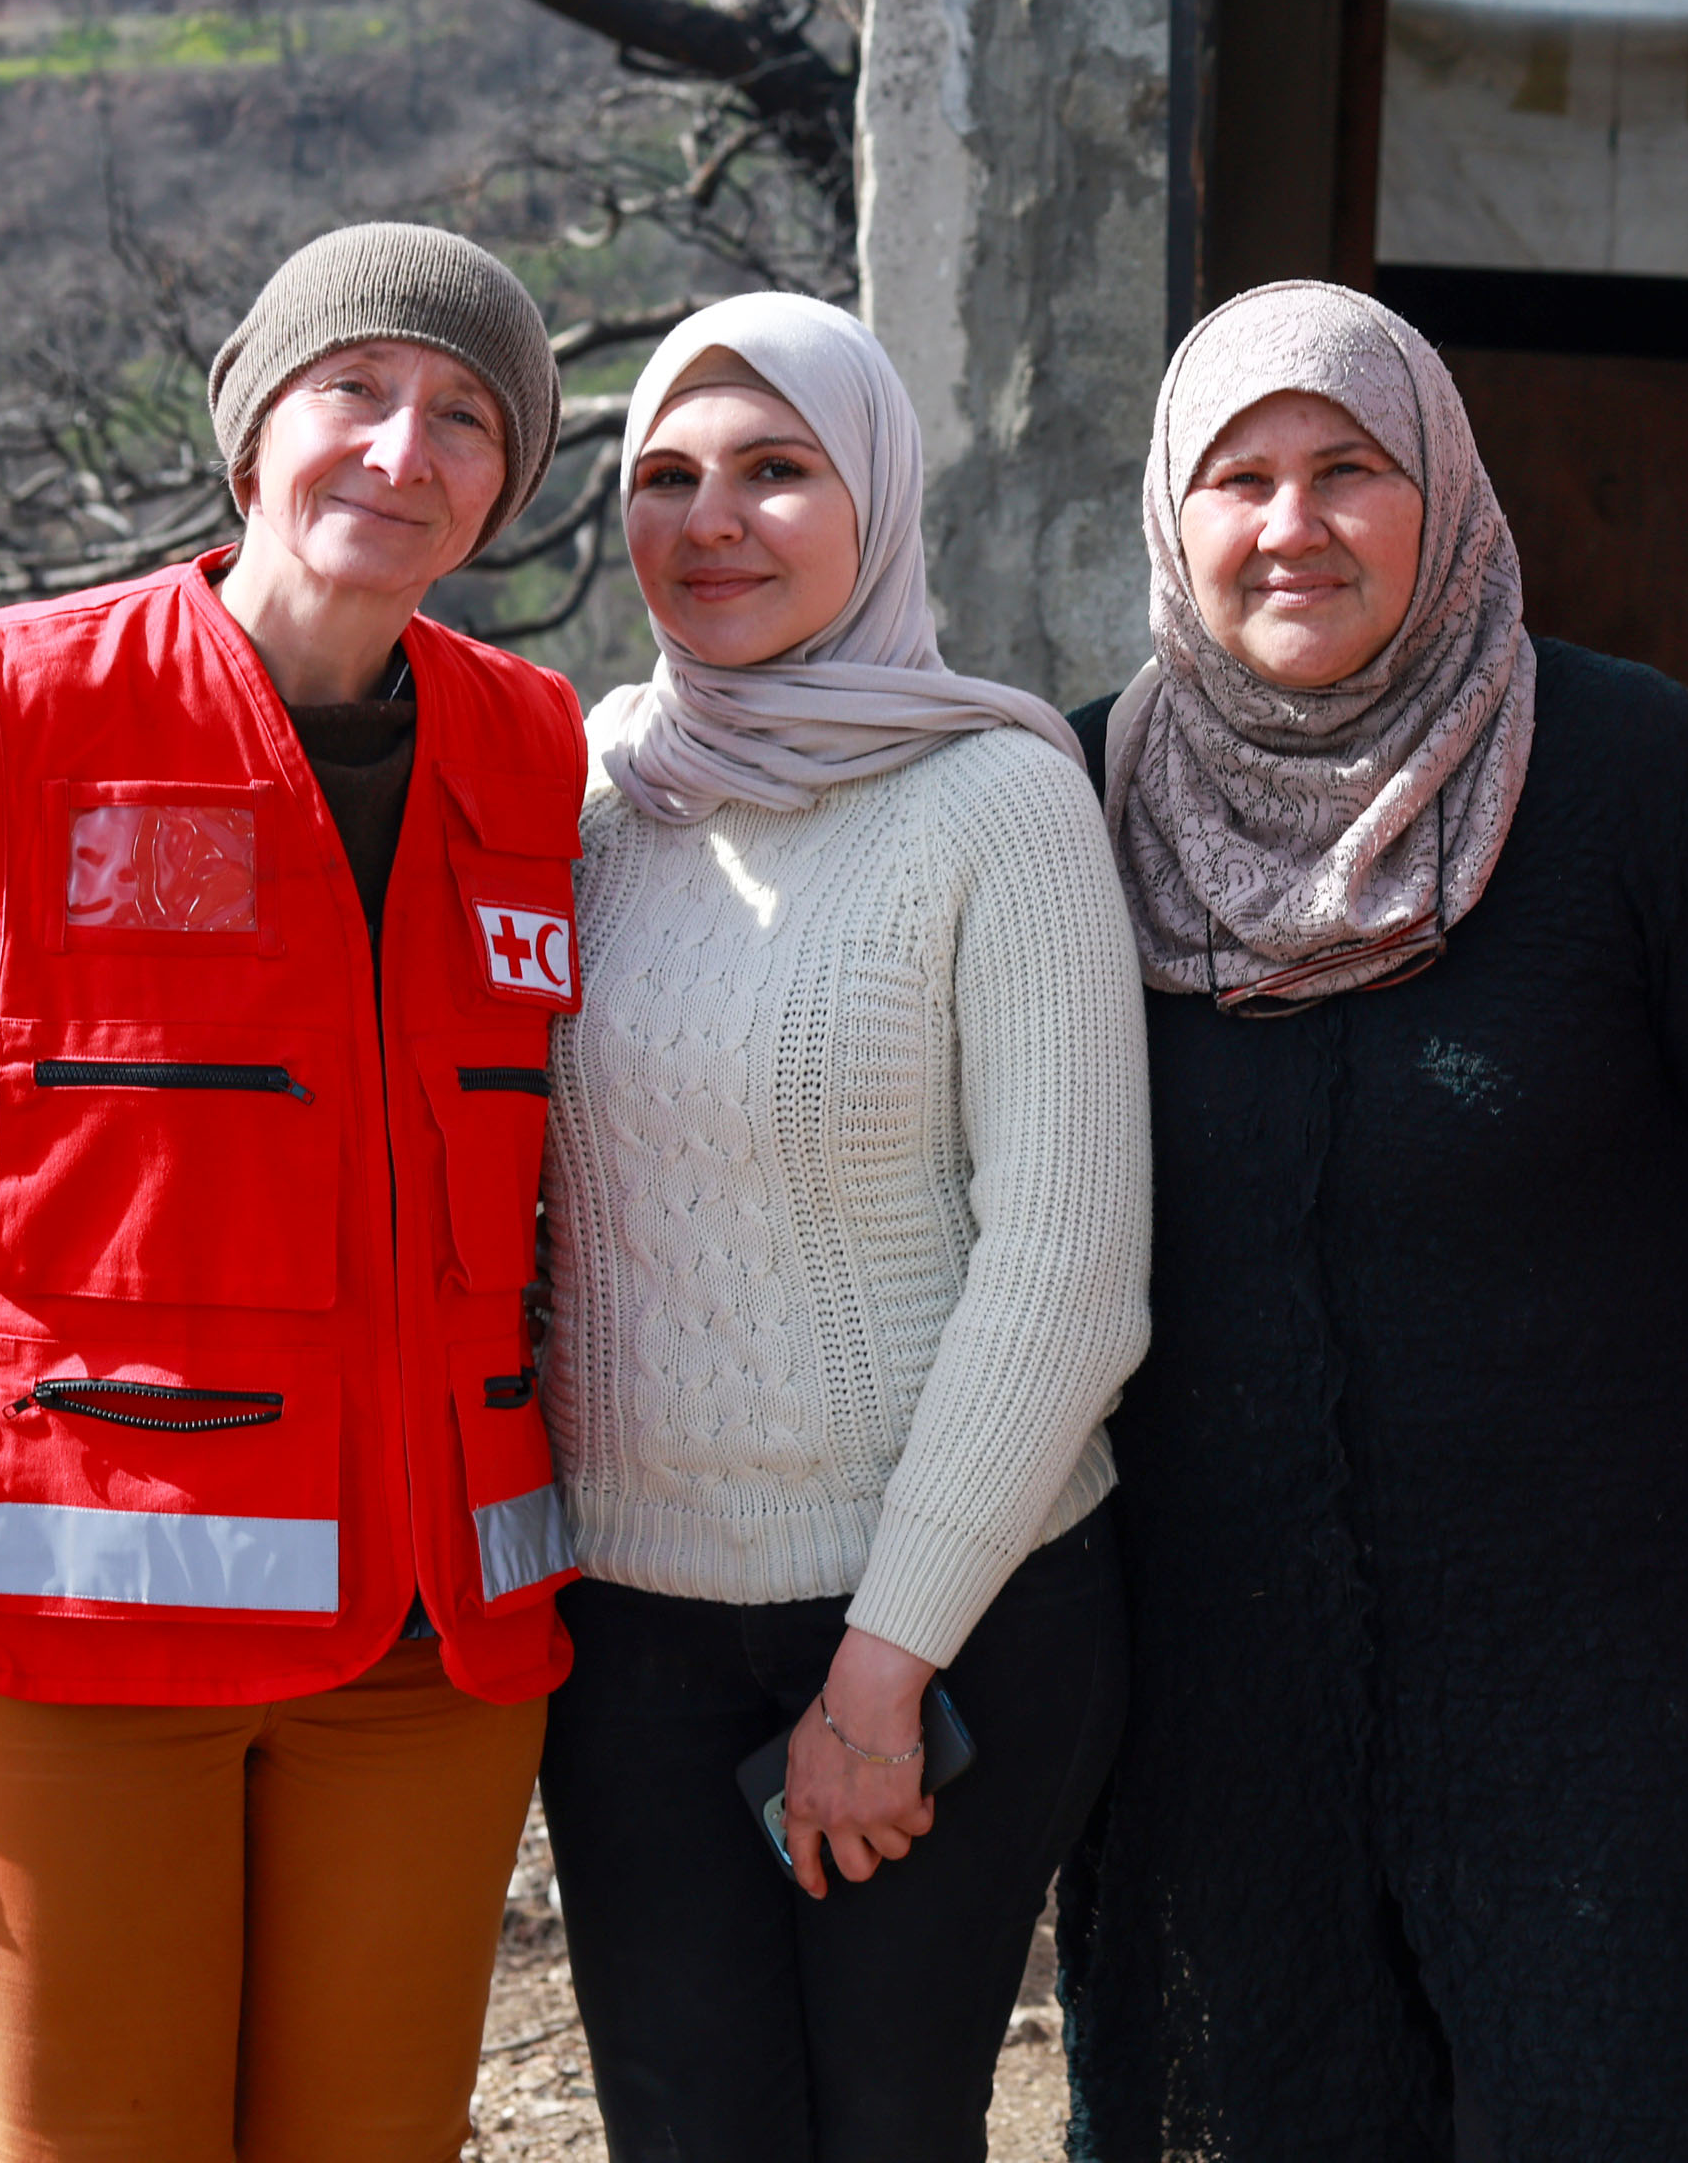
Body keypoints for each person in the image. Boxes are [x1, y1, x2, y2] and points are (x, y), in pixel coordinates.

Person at [0, 223, 590, 2162]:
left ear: (505, 487)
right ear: (253, 428)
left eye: (469, 416)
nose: (406, 444)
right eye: (356, 389)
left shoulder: (533, 754)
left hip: (426, 1653)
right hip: (76, 1633)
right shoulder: (22, 722)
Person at [1056, 280, 1688, 2162]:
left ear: (1443, 489)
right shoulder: (1068, 806)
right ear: (1169, 519)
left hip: (1606, 1701)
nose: (1293, 526)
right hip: (1197, 1711)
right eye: (1240, 478)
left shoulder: (1639, 780)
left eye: (1349, 469)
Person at [535, 293, 1152, 2163]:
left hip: (946, 1611)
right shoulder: (580, 788)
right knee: (683, 2131)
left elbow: (1066, 1273)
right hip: (627, 1619)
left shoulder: (1001, 797)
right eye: (666, 478)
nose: (712, 520)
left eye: (778, 471)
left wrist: (881, 1670)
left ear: (877, 496)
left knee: (890, 2130)